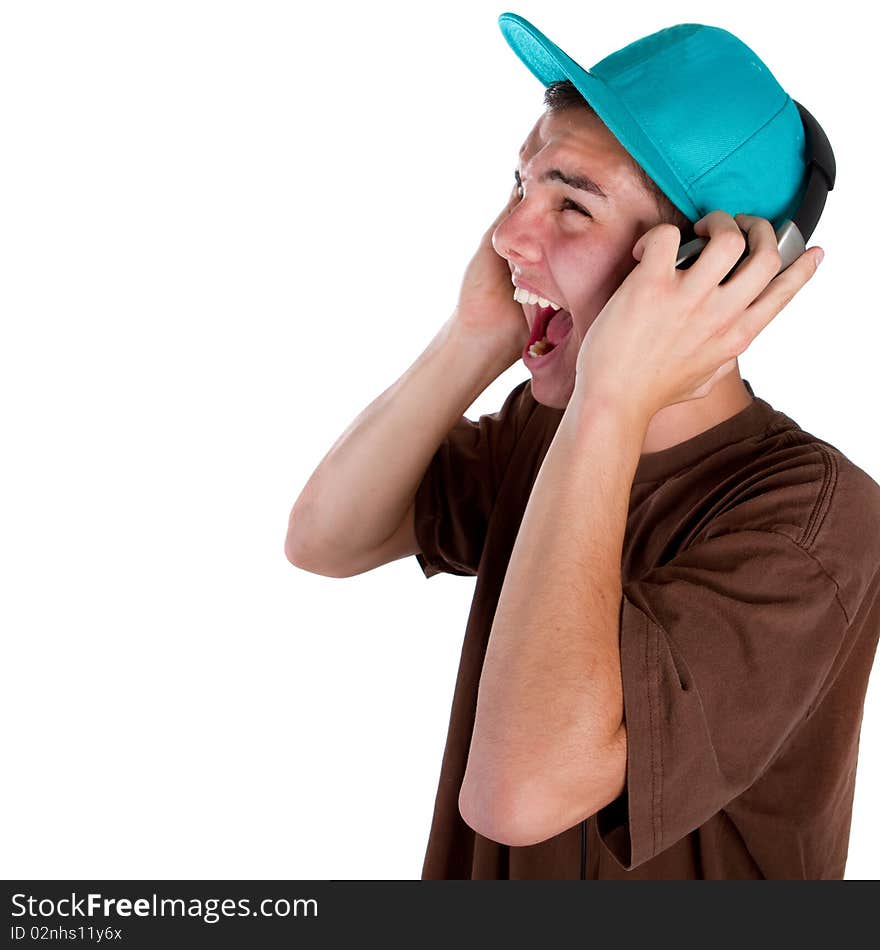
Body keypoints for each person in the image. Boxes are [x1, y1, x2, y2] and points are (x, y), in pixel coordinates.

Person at [285, 13, 880, 879]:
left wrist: (612, 400)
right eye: (519, 186)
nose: (508, 234)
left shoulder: (815, 524)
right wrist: (471, 338)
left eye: (571, 203)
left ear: (701, 268)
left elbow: (519, 795)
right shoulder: (546, 434)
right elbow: (326, 540)